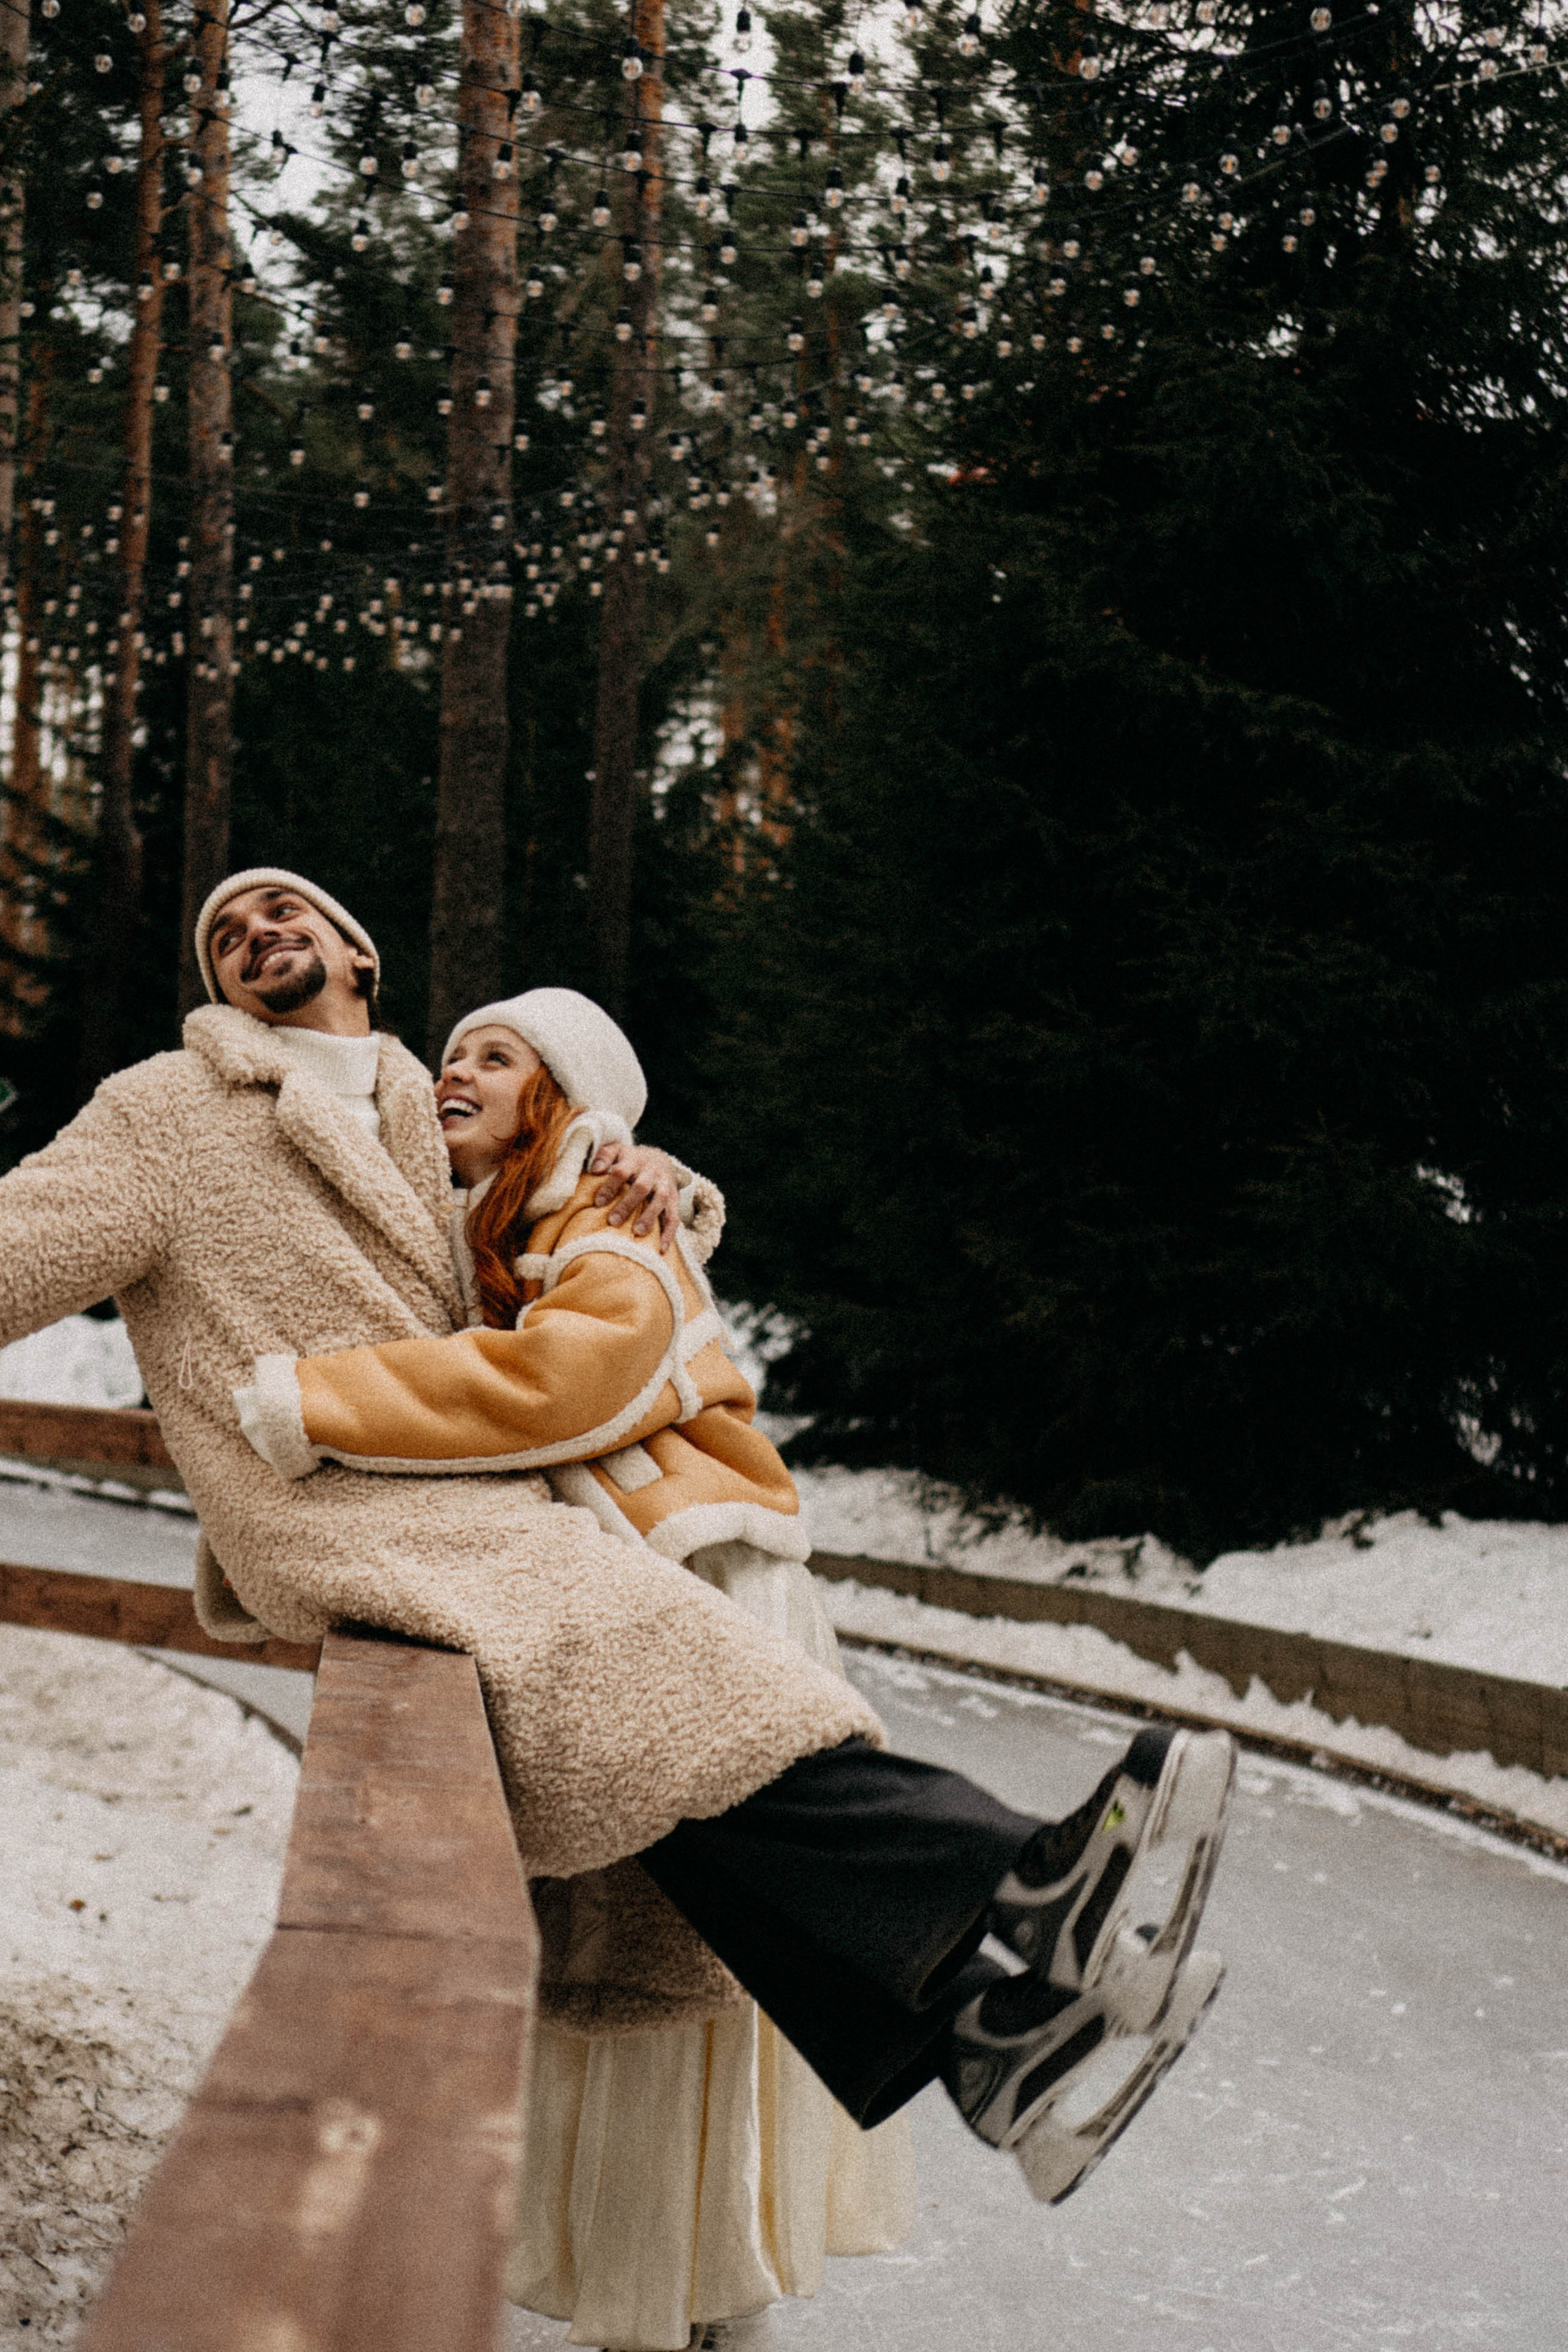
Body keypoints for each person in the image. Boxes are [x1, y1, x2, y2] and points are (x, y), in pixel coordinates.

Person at [0, 869, 1233, 2302]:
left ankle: (993, 2045)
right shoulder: (161, 1115)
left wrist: (651, 1172)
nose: (258, 932)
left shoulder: (420, 1103)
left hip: (475, 1498)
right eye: (226, 934)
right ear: (218, 991)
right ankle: (1023, 1878)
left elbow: (550, 1234)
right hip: (336, 1505)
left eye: (289, 912)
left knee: (679, 1769)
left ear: (358, 948)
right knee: (692, 1688)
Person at [237, 987, 915, 2351]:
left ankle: (690, 2287)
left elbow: (563, 1381)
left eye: (493, 1056)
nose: (453, 1072)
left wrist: (312, 1404)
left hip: (703, 1595)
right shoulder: (511, 1216)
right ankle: (676, 2288)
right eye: (448, 1055)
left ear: (568, 1097)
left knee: (691, 1958)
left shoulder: (607, 1208)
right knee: (640, 1953)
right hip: (628, 1609)